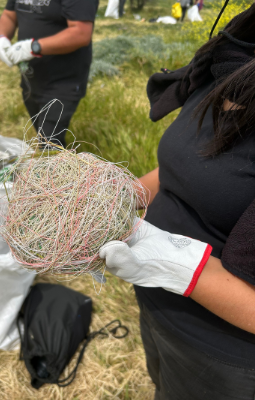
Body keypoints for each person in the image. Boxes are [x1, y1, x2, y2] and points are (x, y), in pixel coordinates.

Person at [97, 9, 255, 398]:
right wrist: (120, 198)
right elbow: (180, 170)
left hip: (221, 356)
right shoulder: (234, 50)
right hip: (158, 309)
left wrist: (179, 266)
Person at [0, 0, 97, 147]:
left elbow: (80, 33)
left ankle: (64, 167)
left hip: (63, 80)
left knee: (49, 144)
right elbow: (9, 15)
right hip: (31, 78)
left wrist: (33, 47)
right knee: (43, 134)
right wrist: (2, 38)